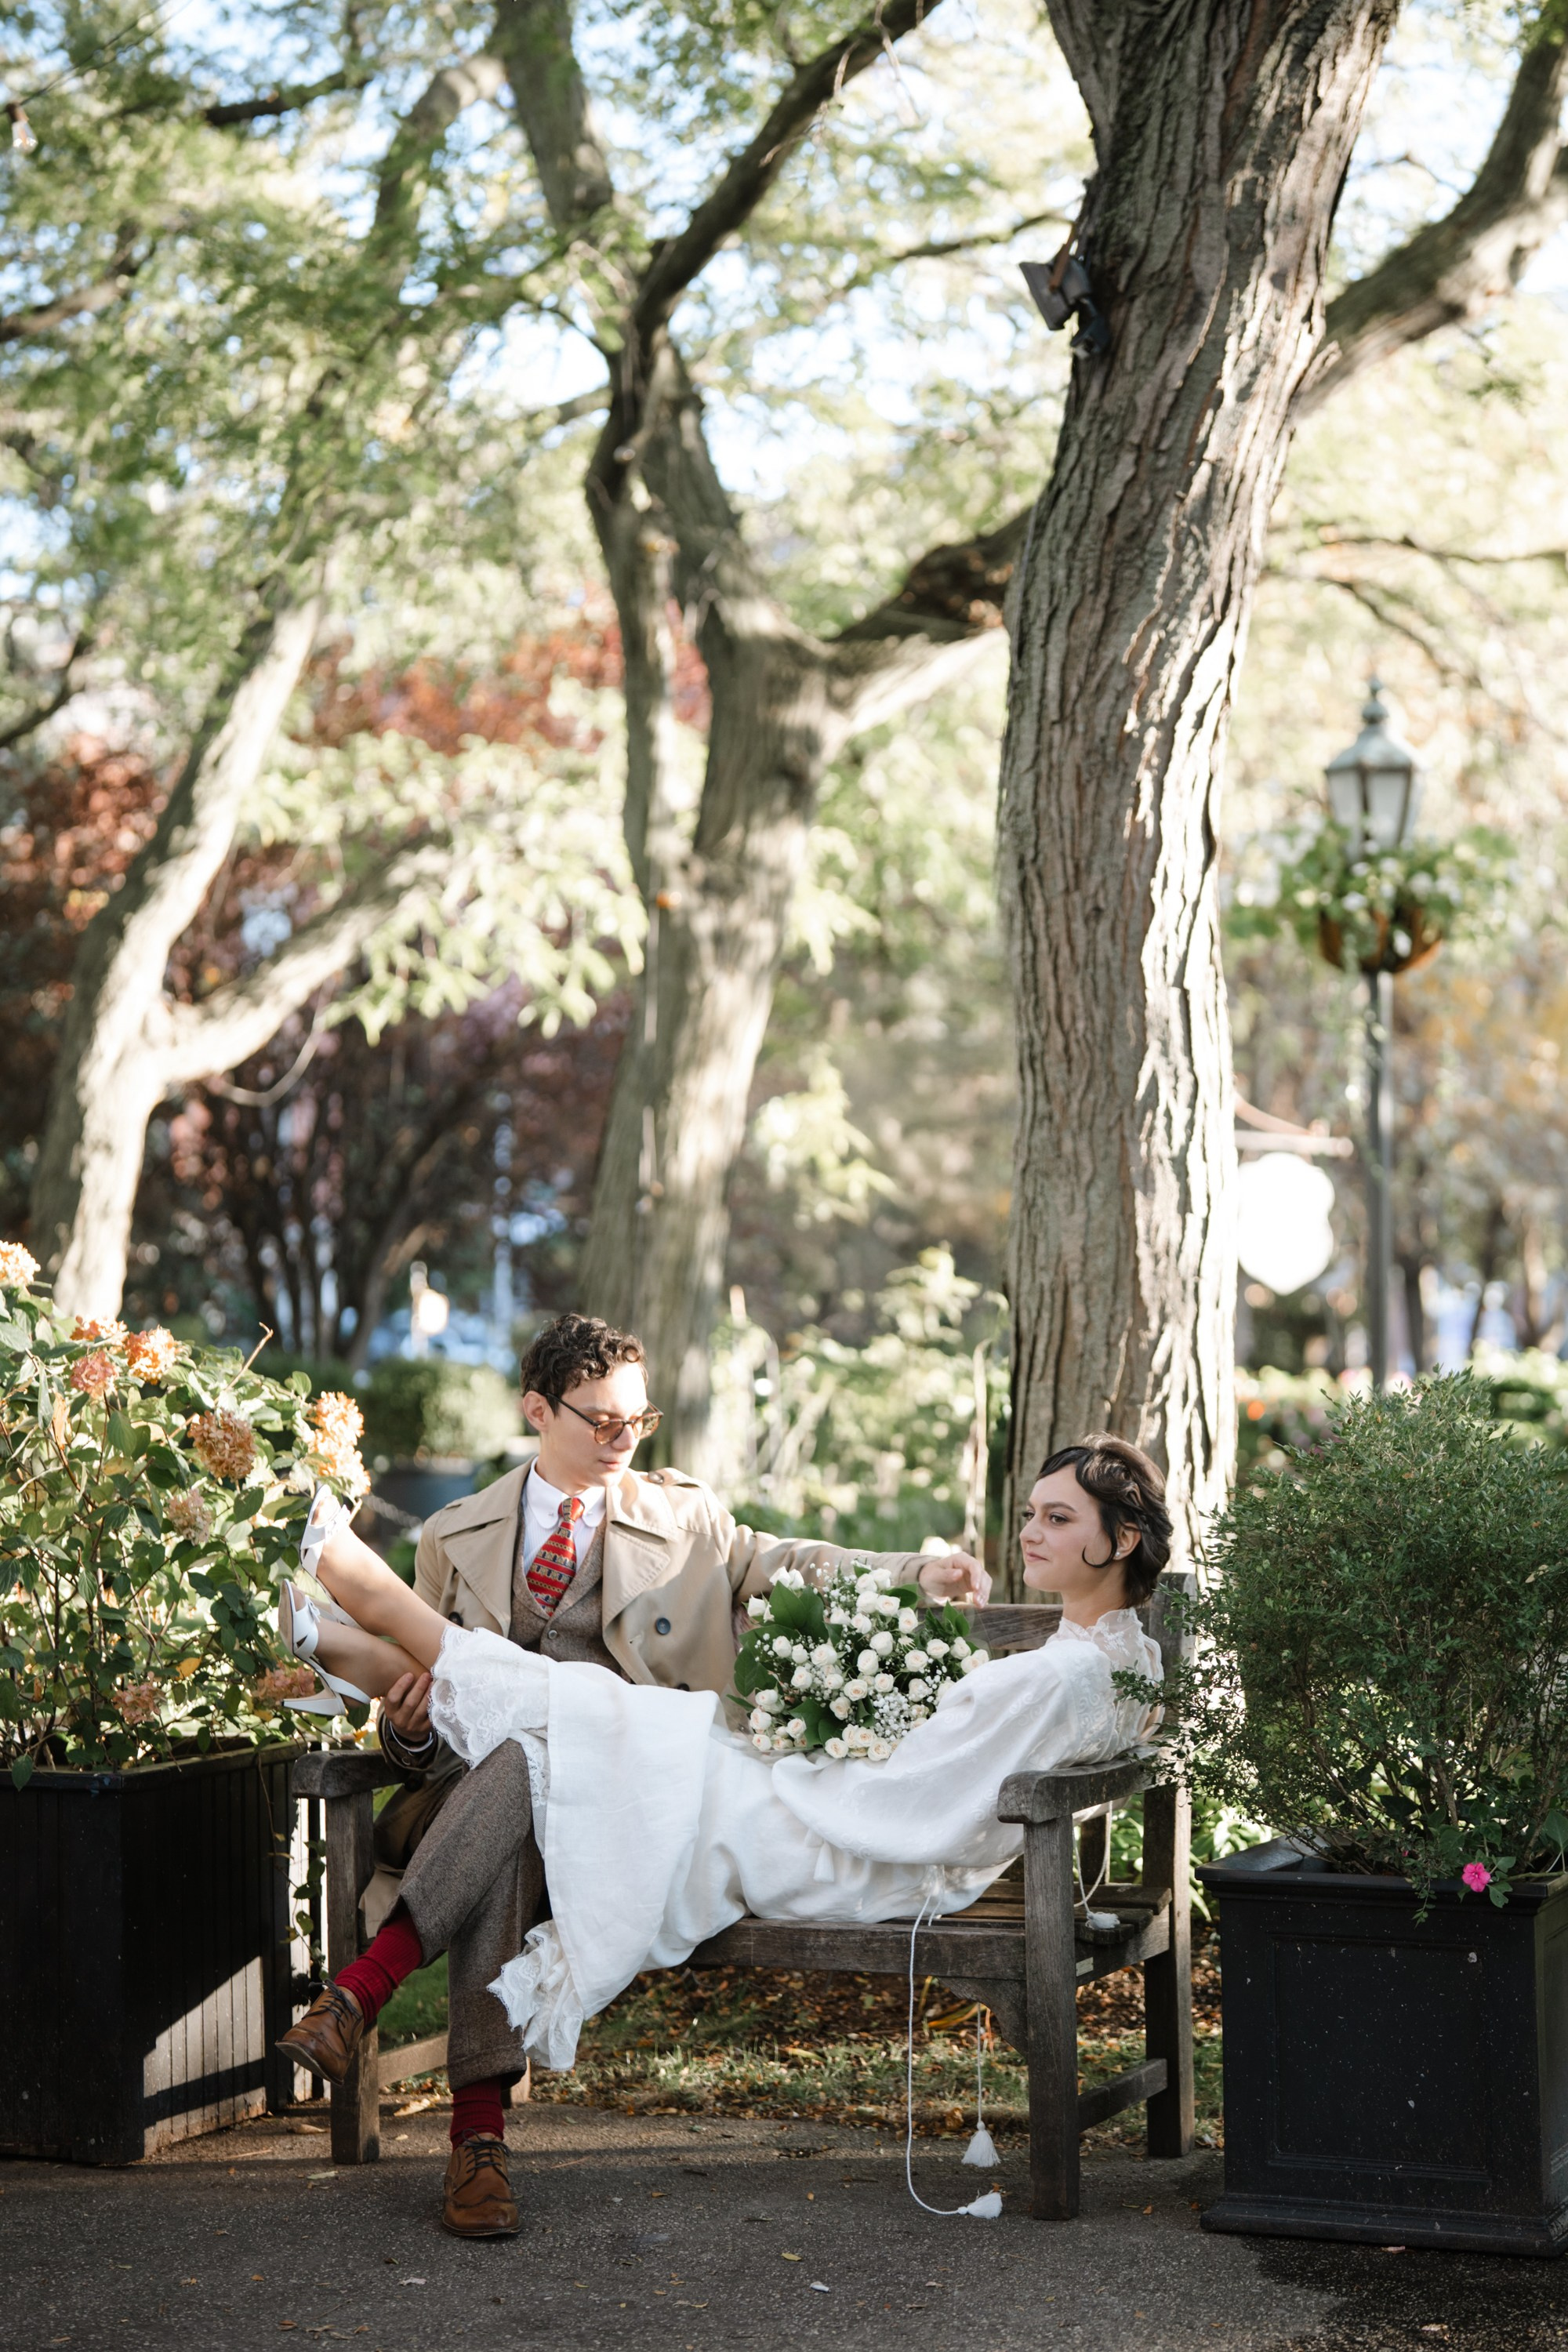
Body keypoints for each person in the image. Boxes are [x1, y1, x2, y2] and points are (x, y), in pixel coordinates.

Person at [281, 1416, 1170, 2231]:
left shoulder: (1055, 1675)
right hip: (834, 1815)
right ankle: (369, 1996)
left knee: (574, 1729)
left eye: (1058, 1520)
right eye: (1032, 1513)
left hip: (834, 1839)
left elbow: (914, 1797)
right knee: (557, 1741)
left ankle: (360, 1641)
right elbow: (946, 1768)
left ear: (1121, 1539)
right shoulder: (1113, 1660)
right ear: (541, 1408)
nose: (1031, 1532)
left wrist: (804, 1759)